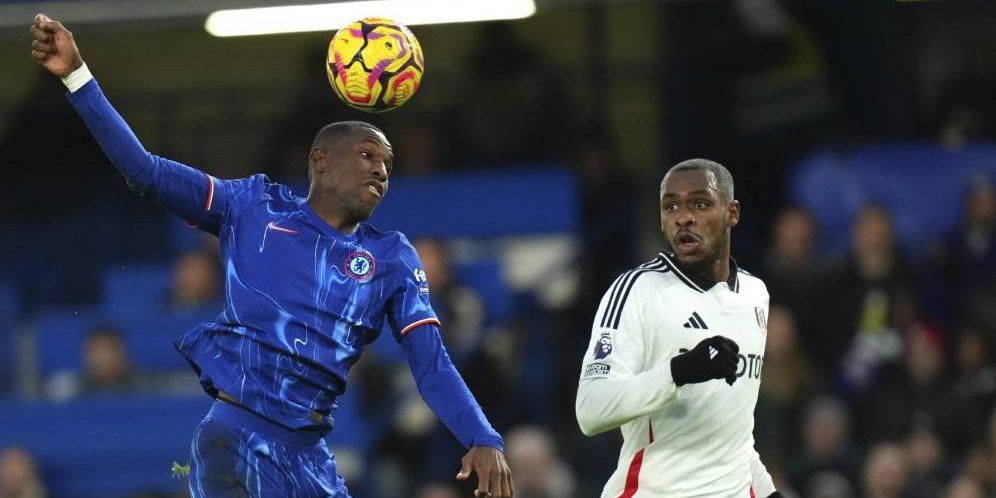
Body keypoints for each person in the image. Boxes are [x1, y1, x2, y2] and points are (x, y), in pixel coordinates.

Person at [29, 13, 512, 498]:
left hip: (308, 457)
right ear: (320, 160)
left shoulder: (391, 257)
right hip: (232, 439)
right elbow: (146, 172)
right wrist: (78, 77)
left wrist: (482, 436)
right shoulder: (253, 207)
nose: (381, 170)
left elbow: (431, 365)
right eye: (367, 155)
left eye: (388, 163)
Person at [575, 159, 781, 497]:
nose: (683, 217)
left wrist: (768, 491)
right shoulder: (636, 291)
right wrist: (679, 371)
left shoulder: (755, 295)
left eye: (700, 204)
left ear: (732, 213)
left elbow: (735, 433)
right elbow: (590, 409)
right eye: (671, 206)